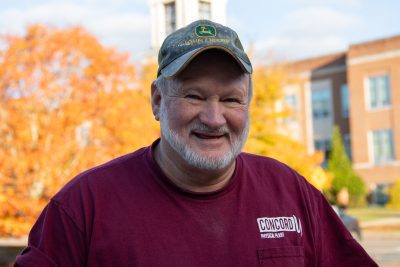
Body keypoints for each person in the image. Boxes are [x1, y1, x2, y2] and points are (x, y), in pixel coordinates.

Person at [15, 19, 377, 266]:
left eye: (231, 100)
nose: (214, 118)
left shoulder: (292, 194)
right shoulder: (83, 207)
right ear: (157, 100)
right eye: (194, 96)